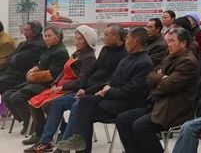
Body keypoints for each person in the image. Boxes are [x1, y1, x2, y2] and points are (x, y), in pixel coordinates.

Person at [55, 27, 154, 153]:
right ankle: (78, 139)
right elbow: (114, 79)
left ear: (136, 41)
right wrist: (106, 87)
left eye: (128, 38)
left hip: (127, 104)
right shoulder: (127, 58)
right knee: (84, 102)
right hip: (113, 98)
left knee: (85, 111)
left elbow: (132, 91)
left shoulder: (144, 62)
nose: (126, 41)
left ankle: (79, 142)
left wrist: (108, 91)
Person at [30, 25, 125, 153]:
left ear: (117, 36)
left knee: (77, 106)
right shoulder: (104, 50)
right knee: (56, 103)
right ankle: (45, 142)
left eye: (107, 35)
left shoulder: (96, 57)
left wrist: (83, 90)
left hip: (102, 92)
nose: (103, 37)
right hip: (87, 89)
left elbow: (109, 80)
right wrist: (61, 84)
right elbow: (92, 75)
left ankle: (63, 146)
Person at [115, 27, 200, 153]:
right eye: (168, 41)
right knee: (123, 119)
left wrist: (159, 81)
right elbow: (149, 77)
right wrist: (161, 77)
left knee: (141, 126)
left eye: (173, 41)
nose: (169, 44)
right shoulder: (169, 57)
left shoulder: (188, 61)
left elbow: (168, 85)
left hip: (174, 108)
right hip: (158, 103)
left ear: (183, 43)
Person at [22, 25, 97, 150]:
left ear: (88, 40)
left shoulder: (89, 58)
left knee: (50, 103)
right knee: (38, 101)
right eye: (76, 38)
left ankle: (56, 141)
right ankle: (47, 139)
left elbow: (81, 82)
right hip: (62, 86)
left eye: (80, 39)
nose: (76, 41)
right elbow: (63, 70)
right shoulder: (77, 53)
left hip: (73, 90)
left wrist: (61, 87)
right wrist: (56, 83)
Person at [3, 26, 69, 129]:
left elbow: (52, 75)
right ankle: (27, 121)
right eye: (45, 36)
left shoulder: (60, 52)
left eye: (49, 36)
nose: (46, 38)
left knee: (17, 97)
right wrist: (34, 69)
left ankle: (34, 125)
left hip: (46, 84)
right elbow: (41, 64)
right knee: (7, 95)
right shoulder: (50, 49)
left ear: (58, 37)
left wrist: (33, 76)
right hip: (35, 81)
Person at [0, 21, 45, 94]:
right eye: (23, 29)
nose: (23, 31)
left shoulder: (39, 46)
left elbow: (20, 61)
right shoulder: (23, 43)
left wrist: (13, 59)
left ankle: (5, 104)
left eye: (26, 30)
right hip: (11, 71)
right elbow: (12, 58)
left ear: (34, 32)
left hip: (22, 74)